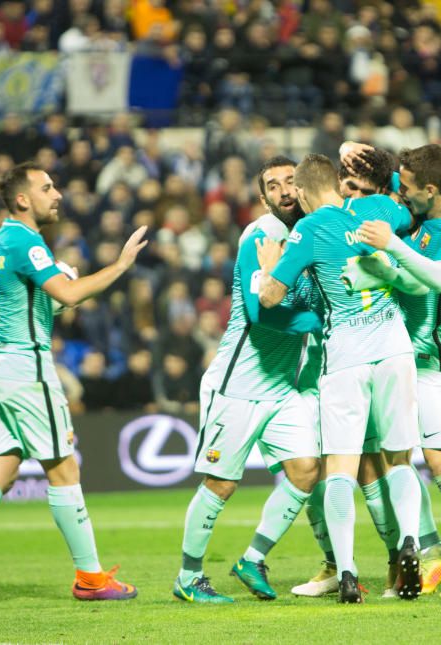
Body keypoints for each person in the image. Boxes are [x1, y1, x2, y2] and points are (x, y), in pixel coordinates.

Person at [0, 161, 147, 608]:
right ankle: (90, 578)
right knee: (64, 468)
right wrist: (120, 266)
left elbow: (38, 305)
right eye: (47, 187)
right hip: (25, 369)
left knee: (0, 472)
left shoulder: (2, 240)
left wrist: (64, 286)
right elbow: (67, 295)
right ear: (23, 199)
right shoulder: (27, 241)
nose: (58, 193)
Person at [257, 153, 422, 603]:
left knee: (342, 469)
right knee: (400, 458)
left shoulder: (308, 230)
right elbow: (410, 206)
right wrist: (386, 178)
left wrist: (267, 266)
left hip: (346, 357)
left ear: (306, 193)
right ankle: (410, 540)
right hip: (394, 347)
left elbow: (270, 299)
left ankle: (347, 572)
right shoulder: (379, 210)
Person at [173, 156, 324, 604]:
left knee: (305, 471)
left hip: (282, 386)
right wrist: (320, 319)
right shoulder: (262, 235)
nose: (284, 190)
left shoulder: (308, 235)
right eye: (273, 185)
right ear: (263, 198)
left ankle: (253, 559)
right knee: (221, 484)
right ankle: (188, 577)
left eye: (291, 181)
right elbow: (260, 314)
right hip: (237, 383)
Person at [352, 143, 441, 597]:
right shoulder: (423, 204)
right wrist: (358, 150)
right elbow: (384, 173)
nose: (400, 194)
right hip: (397, 356)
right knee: (397, 458)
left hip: (432, 362)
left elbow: (440, 278)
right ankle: (433, 557)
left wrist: (390, 246)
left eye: (407, 189)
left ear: (432, 189)